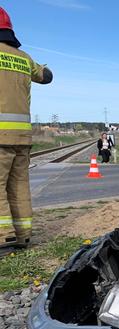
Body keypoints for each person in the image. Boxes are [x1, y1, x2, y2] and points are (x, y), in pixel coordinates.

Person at [0, 7, 53, 255]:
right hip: (22, 136)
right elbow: (47, 76)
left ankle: (3, 237)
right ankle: (23, 236)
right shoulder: (24, 58)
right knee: (19, 185)